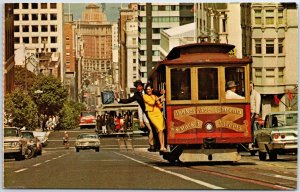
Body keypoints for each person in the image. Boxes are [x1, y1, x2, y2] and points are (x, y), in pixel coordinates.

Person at [118, 80, 163, 152]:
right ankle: (151, 145)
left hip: (154, 112)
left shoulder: (147, 91)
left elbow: (156, 93)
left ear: (142, 86)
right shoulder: (136, 95)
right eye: (137, 87)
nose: (139, 88)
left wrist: (161, 92)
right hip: (146, 114)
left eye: (140, 86)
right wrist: (119, 100)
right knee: (151, 129)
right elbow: (128, 100)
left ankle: (157, 145)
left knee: (157, 129)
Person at [143, 83, 167, 152]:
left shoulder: (155, 96)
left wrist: (162, 101)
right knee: (159, 128)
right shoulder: (145, 96)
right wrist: (159, 98)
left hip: (158, 113)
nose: (148, 90)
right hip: (152, 114)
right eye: (147, 89)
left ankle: (162, 146)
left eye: (149, 89)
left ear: (152, 89)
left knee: (161, 129)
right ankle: (161, 146)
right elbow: (152, 103)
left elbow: (160, 106)